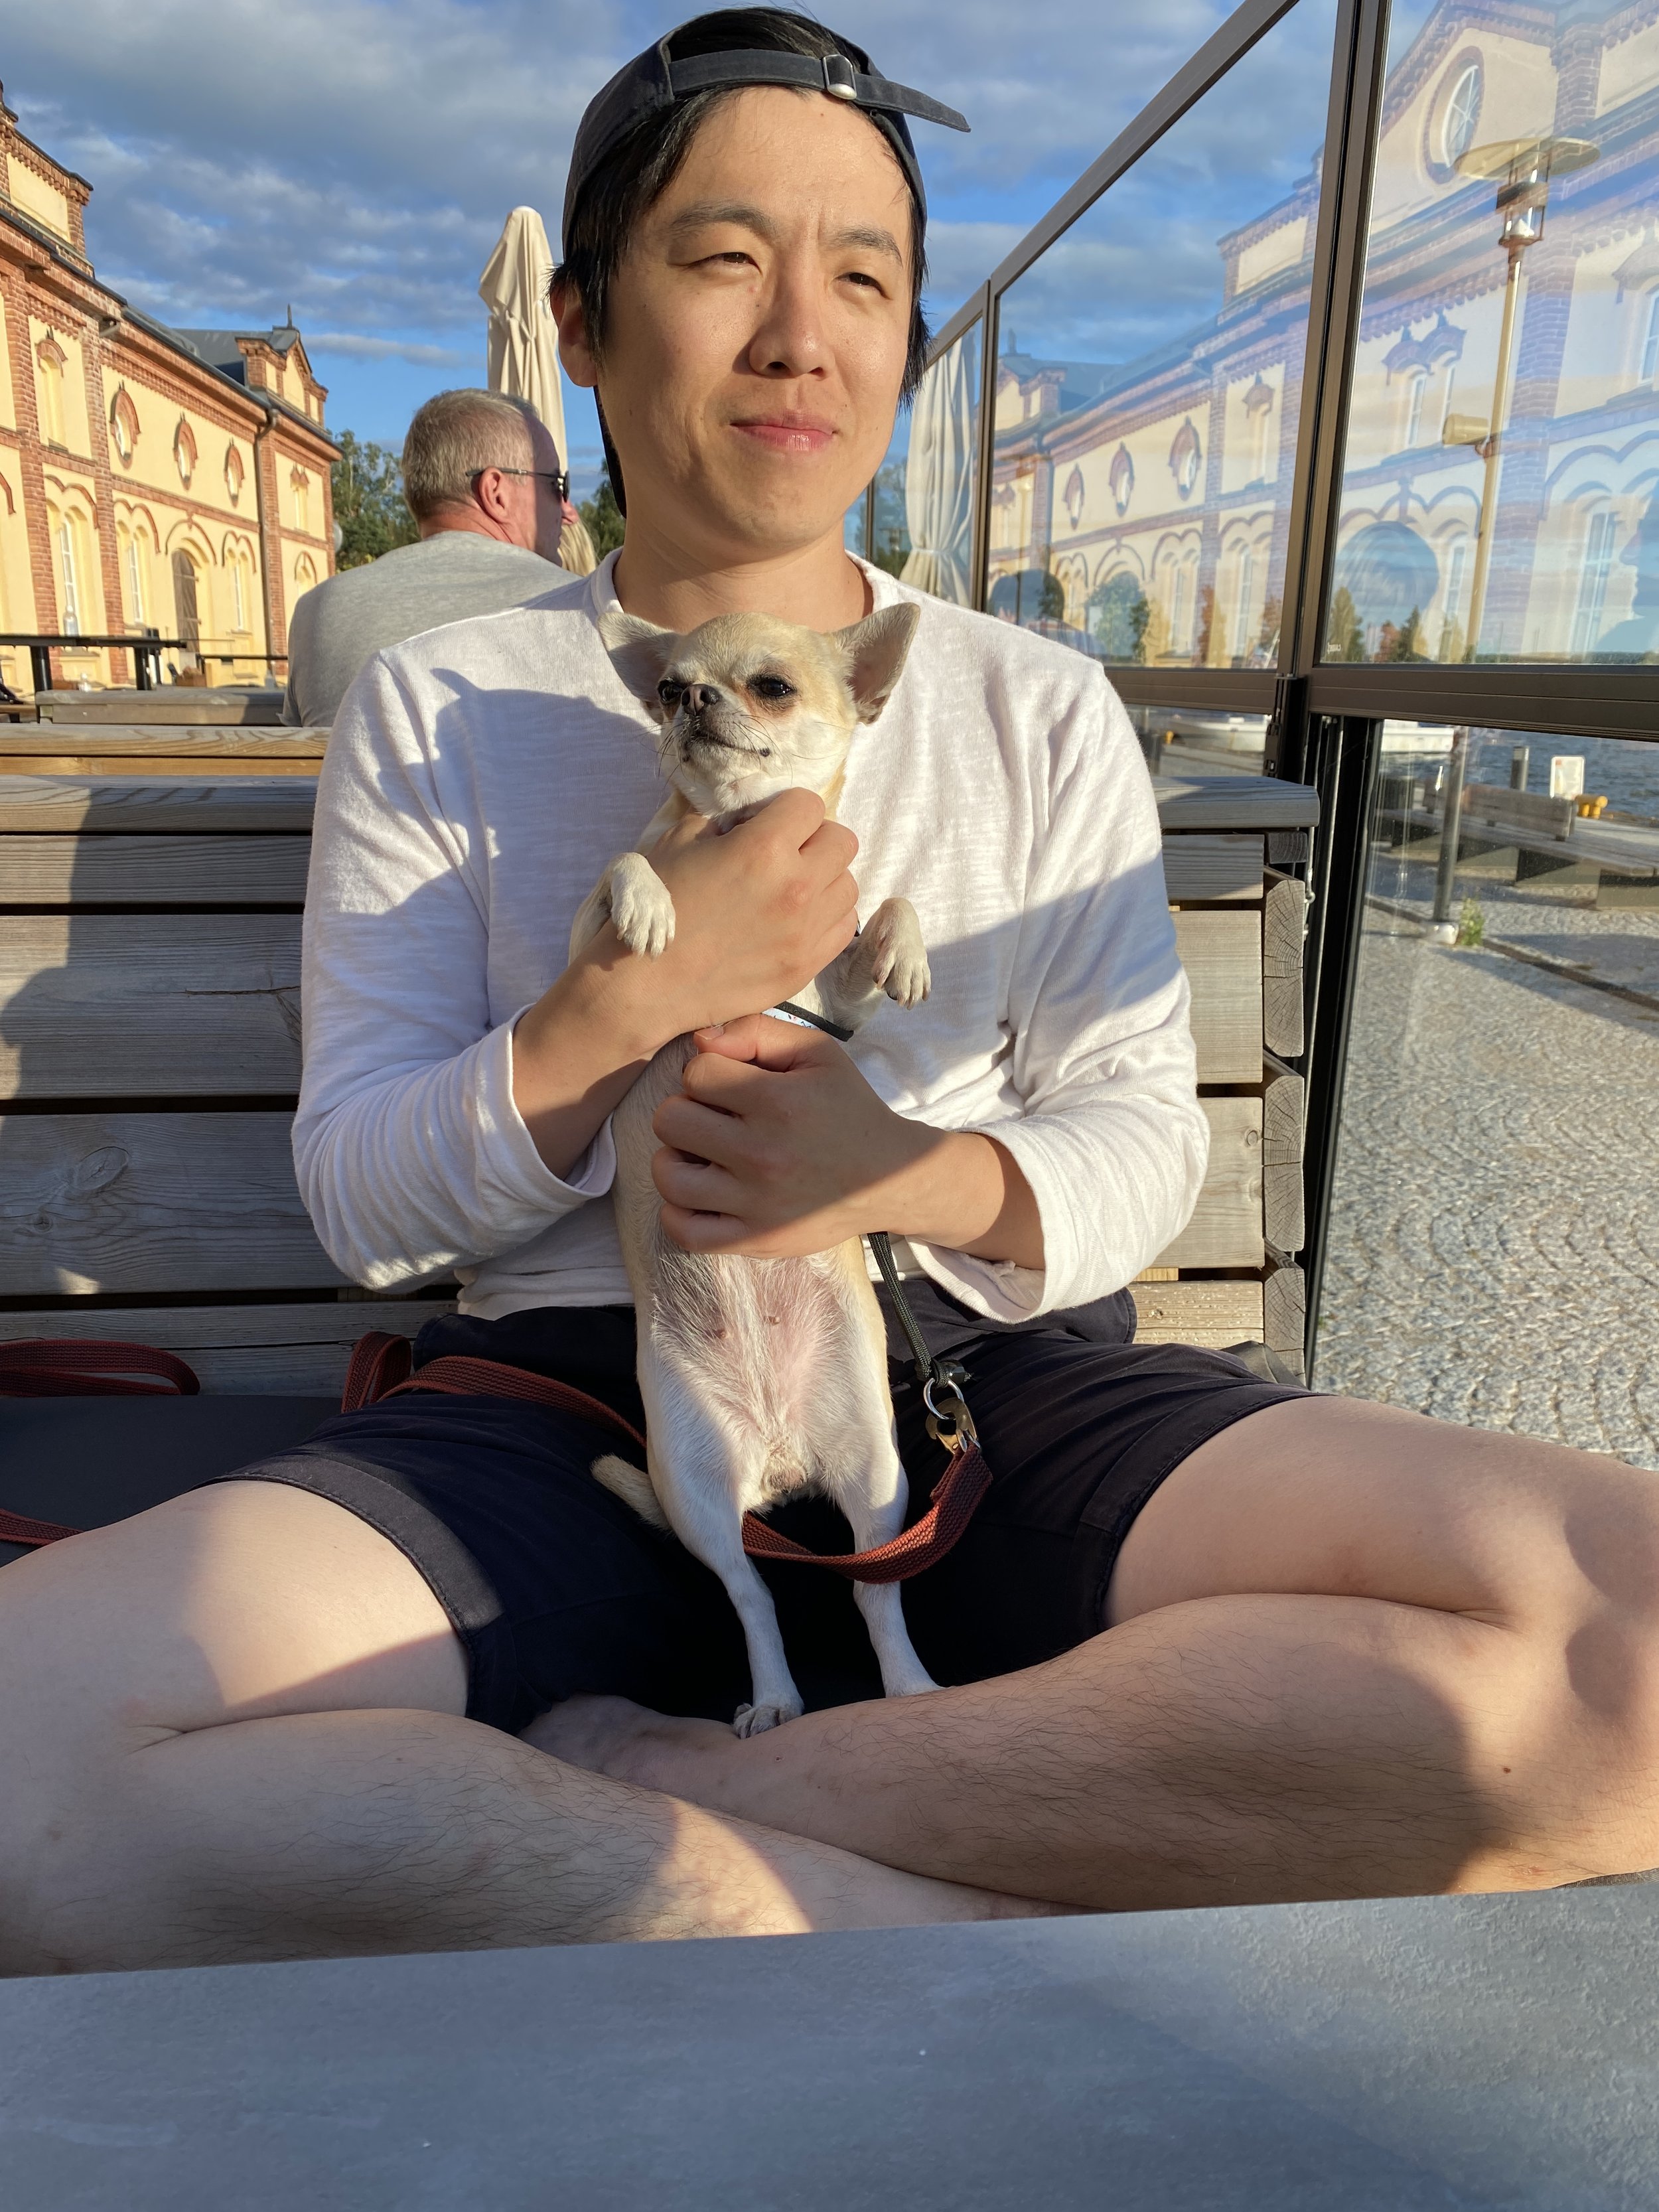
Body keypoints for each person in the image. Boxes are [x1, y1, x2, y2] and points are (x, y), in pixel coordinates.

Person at [6, 7, 1659, 1978]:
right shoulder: (446, 705)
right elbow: (368, 1203)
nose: (802, 331)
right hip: (564, 1402)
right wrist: (626, 1005)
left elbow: (1133, 1137)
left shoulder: (1031, 702)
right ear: (585, 327)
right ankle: (986, 1946)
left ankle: (685, 1797)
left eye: (862, 277)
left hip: (979, 1380)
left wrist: (903, 1169)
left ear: (904, 336)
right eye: (722, 260)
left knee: (1626, 1658)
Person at [280, 388, 581, 725]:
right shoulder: (578, 606)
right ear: (496, 492)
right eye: (557, 484)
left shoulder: (318, 608)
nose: (566, 509)